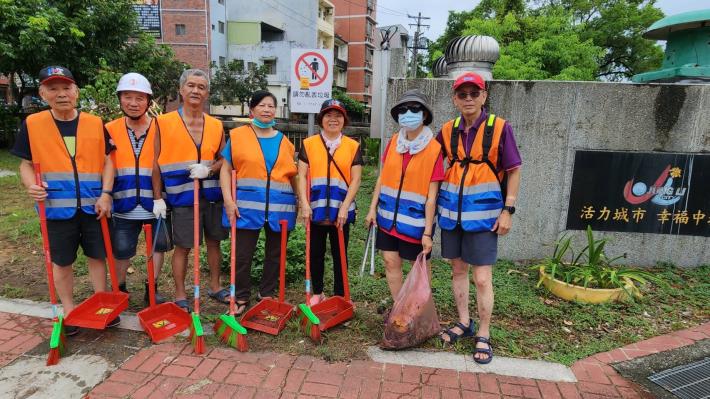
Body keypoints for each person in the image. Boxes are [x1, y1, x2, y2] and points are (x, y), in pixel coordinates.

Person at [11, 66, 117, 334]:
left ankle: (100, 303)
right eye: (53, 88)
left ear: (76, 92)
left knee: (97, 256)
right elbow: (25, 165)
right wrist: (31, 185)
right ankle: (69, 310)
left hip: (94, 205)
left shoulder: (95, 123)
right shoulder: (32, 125)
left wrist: (106, 194)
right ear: (43, 93)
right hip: (56, 208)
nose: (61, 94)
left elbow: (108, 162)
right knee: (62, 261)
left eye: (66, 88)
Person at [436, 72, 522, 364]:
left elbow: (514, 170)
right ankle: (464, 321)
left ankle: (483, 333)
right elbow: (433, 165)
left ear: (484, 96)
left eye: (475, 93)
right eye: (463, 94)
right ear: (455, 98)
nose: (469, 99)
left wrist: (508, 210)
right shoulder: (447, 130)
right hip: (451, 214)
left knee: (482, 278)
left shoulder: (499, 128)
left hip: (485, 217)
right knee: (457, 271)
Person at [152, 69, 227, 312]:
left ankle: (215, 287)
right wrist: (157, 198)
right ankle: (180, 293)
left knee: (215, 242)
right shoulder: (162, 122)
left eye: (201, 87)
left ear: (207, 93)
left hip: (212, 196)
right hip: (182, 196)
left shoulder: (216, 125)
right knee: (183, 246)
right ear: (181, 90)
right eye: (191, 86)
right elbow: (154, 163)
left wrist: (210, 170)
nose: (196, 91)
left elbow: (224, 159)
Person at [220, 90, 298, 315]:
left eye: (271, 106)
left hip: (280, 208)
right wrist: (228, 199)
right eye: (262, 105)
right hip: (245, 208)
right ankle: (241, 296)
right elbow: (226, 170)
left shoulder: (284, 141)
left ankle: (267, 294)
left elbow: (293, 175)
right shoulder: (237, 136)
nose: (267, 110)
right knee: (242, 255)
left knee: (275, 255)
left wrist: (301, 201)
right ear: (252, 110)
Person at [365, 89, 444, 301]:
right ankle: (399, 309)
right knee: (391, 262)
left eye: (414, 109)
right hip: (387, 219)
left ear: (425, 114)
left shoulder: (435, 149)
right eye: (403, 109)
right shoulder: (393, 142)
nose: (408, 113)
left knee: (419, 268)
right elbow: (382, 178)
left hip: (415, 222)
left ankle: (419, 311)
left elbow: (431, 196)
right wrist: (372, 209)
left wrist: (427, 233)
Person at [105, 72, 172, 304]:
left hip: (156, 202)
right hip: (122, 203)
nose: (133, 103)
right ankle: (119, 289)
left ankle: (151, 289)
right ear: (120, 99)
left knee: (158, 247)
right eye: (128, 97)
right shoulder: (109, 129)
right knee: (121, 250)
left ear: (148, 101)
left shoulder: (162, 127)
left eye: (140, 98)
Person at [297, 99, 363, 305]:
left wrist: (345, 206)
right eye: (328, 115)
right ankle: (317, 292)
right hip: (315, 209)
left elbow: (356, 179)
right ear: (321, 119)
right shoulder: (308, 144)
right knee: (315, 252)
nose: (333, 119)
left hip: (340, 211)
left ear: (344, 120)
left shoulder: (353, 146)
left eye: (338, 116)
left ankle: (340, 295)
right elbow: (301, 176)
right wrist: (304, 204)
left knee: (340, 254)